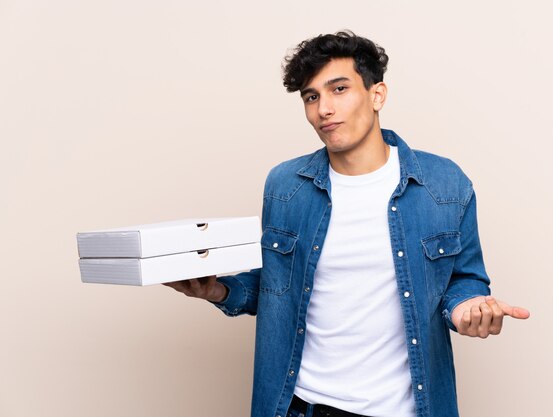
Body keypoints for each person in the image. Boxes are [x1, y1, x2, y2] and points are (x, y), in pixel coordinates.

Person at [164, 31, 530, 417]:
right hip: (301, 407)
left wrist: (466, 309)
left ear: (377, 95)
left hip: (405, 409)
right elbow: (277, 287)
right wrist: (219, 290)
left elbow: (465, 280)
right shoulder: (285, 187)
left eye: (339, 89)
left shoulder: (444, 184)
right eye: (311, 96)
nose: (324, 108)